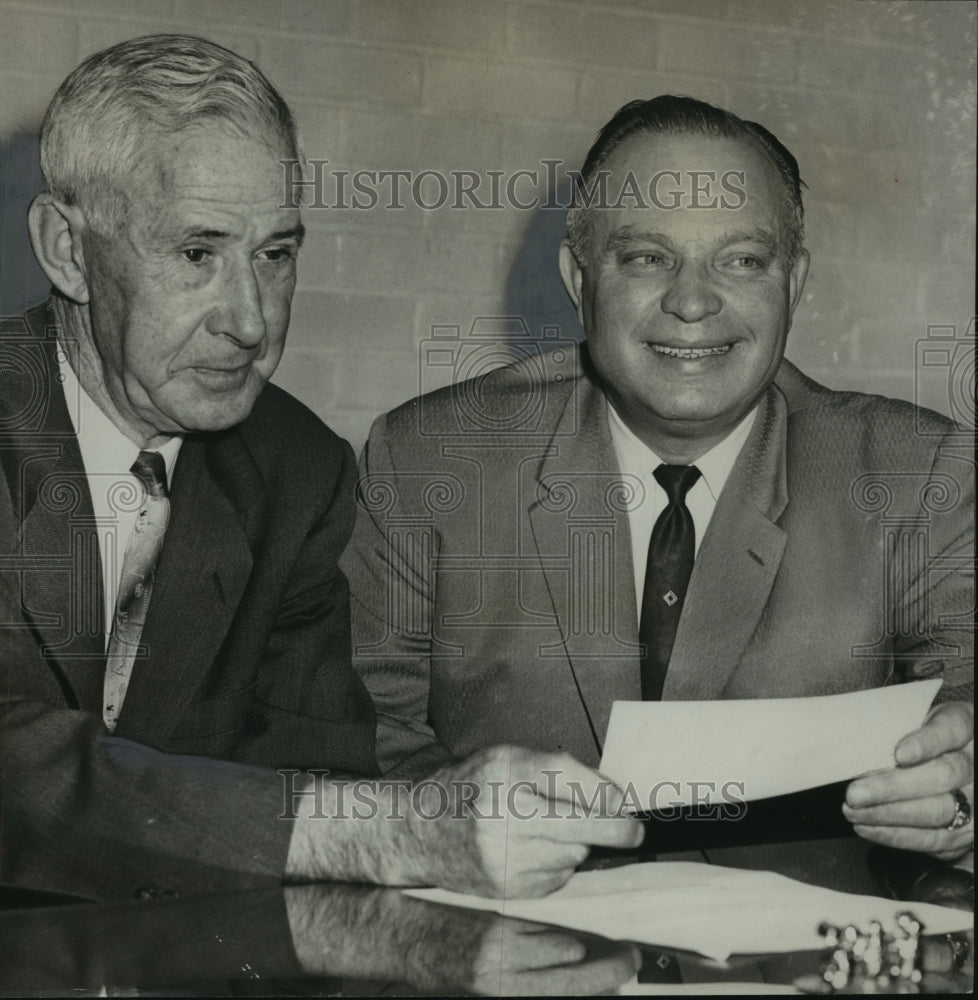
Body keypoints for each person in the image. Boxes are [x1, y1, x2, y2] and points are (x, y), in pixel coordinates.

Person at [0, 34, 641, 904]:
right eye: (198, 254)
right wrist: (388, 829)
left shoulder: (296, 471)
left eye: (276, 255)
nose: (252, 320)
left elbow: (307, 768)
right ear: (68, 250)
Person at [341, 96, 974, 866]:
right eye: (646, 257)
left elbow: (965, 711)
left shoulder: (922, 475)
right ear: (579, 278)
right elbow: (360, 738)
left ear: (794, 283)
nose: (693, 301)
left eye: (741, 261)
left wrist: (962, 790)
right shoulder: (429, 459)